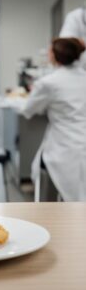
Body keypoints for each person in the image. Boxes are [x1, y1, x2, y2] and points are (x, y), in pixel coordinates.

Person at [21, 38, 86, 201]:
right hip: (81, 145)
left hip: (62, 148)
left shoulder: (48, 82)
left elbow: (28, 109)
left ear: (55, 56)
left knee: (52, 196)